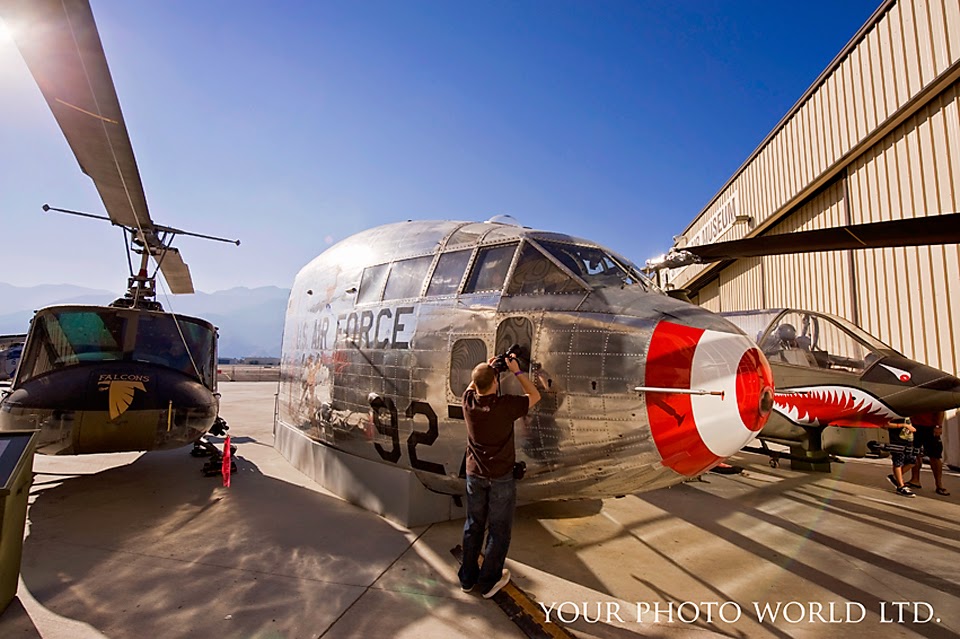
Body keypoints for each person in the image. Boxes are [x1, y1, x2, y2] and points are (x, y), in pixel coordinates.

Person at [458, 353, 541, 599]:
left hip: (475, 475)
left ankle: (467, 578)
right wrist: (516, 371)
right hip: (501, 477)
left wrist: (489, 369)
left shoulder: (468, 402)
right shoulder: (505, 406)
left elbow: (474, 385)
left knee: (473, 525)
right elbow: (534, 395)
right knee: (499, 529)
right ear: (495, 382)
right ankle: (489, 581)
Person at [906, 411, 950, 496]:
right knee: (915, 453)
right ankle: (915, 480)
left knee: (935, 456)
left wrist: (938, 426)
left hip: (931, 427)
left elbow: (940, 410)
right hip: (915, 425)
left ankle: (939, 484)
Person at [885, 419, 918, 497]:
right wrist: (903, 425)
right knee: (898, 462)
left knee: (912, 461)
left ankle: (895, 477)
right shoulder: (896, 415)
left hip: (909, 441)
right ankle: (900, 486)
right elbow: (886, 424)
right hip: (897, 441)